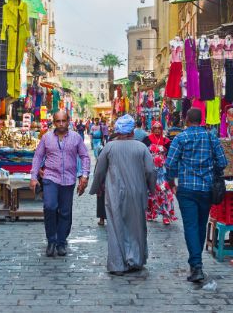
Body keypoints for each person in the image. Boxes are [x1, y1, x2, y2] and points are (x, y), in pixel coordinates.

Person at [165, 108, 227, 283]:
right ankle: (196, 263)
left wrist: (171, 182)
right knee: (200, 226)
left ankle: (196, 265)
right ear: (201, 120)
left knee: (191, 226)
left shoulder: (180, 138)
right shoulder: (211, 137)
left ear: (186, 120)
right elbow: (222, 162)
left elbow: (170, 163)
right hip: (206, 188)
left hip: (187, 188)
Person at [90, 114, 156, 275]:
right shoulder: (141, 148)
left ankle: (117, 264)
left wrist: (95, 188)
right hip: (137, 192)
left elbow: (99, 171)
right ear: (132, 130)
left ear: (117, 130)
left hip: (114, 192)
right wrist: (151, 189)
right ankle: (136, 260)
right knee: (137, 226)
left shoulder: (109, 147)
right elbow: (150, 171)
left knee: (115, 225)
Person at [30, 111, 91, 257]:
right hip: (51, 177)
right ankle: (51, 240)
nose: (61, 124)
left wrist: (85, 175)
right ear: (54, 122)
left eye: (64, 121)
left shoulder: (76, 138)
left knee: (65, 211)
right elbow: (38, 156)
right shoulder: (46, 138)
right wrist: (33, 176)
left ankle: (61, 242)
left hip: (68, 179)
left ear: (69, 121)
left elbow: (84, 156)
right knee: (50, 207)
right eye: (58, 121)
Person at [142, 122, 176, 225]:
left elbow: (171, 156)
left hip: (162, 172)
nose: (157, 130)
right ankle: (150, 213)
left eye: (159, 128)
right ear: (152, 129)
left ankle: (166, 215)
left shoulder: (166, 141)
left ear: (162, 129)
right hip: (150, 171)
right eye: (155, 128)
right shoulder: (146, 140)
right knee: (150, 193)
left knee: (164, 193)